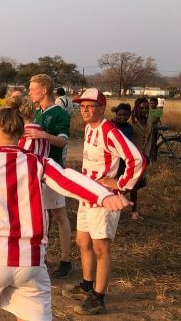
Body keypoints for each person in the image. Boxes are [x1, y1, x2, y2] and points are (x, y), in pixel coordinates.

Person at [0, 108, 131, 321]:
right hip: (31, 265)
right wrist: (104, 196)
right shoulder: (38, 162)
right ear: (21, 134)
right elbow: (67, 178)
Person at [62, 88, 144, 315]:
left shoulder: (110, 131)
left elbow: (136, 158)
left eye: (89, 106)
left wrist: (120, 184)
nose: (84, 110)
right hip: (86, 195)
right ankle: (87, 284)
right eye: (81, 106)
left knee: (101, 247)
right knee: (82, 241)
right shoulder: (89, 128)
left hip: (104, 199)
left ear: (101, 107)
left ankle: (99, 297)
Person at [26, 74, 74, 280]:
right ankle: (42, 257)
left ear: (44, 90)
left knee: (60, 216)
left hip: (53, 171)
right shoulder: (39, 113)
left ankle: (66, 260)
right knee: (41, 217)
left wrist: (43, 135)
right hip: (39, 172)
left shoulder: (59, 114)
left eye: (32, 88)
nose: (29, 92)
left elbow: (63, 142)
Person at [129, 98, 156, 220]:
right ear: (136, 108)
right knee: (135, 184)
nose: (144, 110)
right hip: (132, 157)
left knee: (142, 182)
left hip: (143, 157)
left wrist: (147, 154)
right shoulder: (131, 122)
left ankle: (121, 191)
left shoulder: (149, 122)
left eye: (146, 108)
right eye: (141, 108)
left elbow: (149, 140)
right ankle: (134, 211)